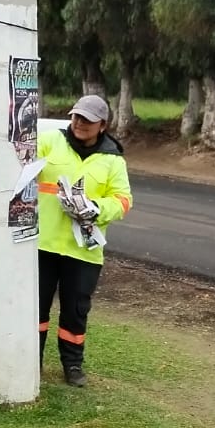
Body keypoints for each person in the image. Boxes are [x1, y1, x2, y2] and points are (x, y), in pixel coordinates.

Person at [36, 94, 133, 387]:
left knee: (76, 310)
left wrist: (97, 208)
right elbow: (23, 161)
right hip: (44, 244)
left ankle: (73, 365)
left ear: (102, 125)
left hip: (84, 251)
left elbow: (123, 200)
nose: (79, 123)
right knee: (36, 308)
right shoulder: (52, 140)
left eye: (88, 120)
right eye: (76, 117)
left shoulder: (113, 159)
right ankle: (31, 361)